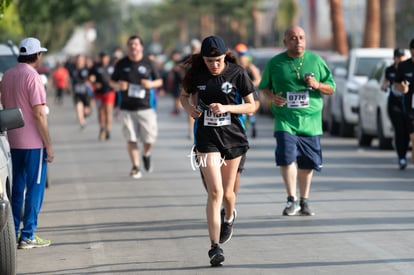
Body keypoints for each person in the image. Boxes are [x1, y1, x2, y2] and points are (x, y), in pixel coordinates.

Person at [180, 35, 255, 267]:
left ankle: (230, 217)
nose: (214, 65)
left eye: (218, 60)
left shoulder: (237, 73)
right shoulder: (195, 74)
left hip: (233, 138)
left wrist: (227, 108)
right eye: (209, 61)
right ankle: (214, 247)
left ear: (225, 57)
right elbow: (183, 97)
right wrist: (190, 108)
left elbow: (252, 106)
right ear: (203, 59)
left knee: (229, 194)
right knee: (215, 192)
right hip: (206, 138)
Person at [258, 26, 335, 217]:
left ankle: (304, 200)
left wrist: (316, 85)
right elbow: (264, 88)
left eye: (301, 37)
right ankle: (291, 199)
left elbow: (331, 87)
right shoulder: (275, 63)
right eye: (293, 38)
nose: (298, 41)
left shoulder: (316, 61)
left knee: (307, 164)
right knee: (286, 156)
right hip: (285, 120)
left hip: (311, 122)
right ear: (285, 42)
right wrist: (272, 97)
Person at [0, 37, 54, 249]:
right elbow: (39, 113)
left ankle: (12, 233)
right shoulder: (33, 77)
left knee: (17, 188)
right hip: (33, 143)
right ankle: (28, 234)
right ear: (37, 55)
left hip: (13, 140)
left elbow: (5, 104)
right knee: (35, 188)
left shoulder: (8, 76)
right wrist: (48, 144)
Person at [110, 35, 163, 179]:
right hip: (127, 108)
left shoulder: (148, 62)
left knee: (150, 139)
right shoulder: (121, 63)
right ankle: (135, 166)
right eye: (131, 44)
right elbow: (112, 82)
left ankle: (146, 153)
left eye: (136, 44)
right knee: (131, 138)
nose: (133, 47)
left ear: (141, 47)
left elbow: (159, 81)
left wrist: (150, 84)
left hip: (146, 107)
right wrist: (119, 86)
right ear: (128, 47)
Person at [381, 48, 409, 169]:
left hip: (407, 104)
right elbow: (385, 83)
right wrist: (384, 86)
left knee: (407, 132)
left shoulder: (407, 68)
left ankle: (405, 153)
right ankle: (401, 157)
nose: (400, 59)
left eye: (402, 57)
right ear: (394, 58)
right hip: (394, 104)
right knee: (399, 130)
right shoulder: (390, 70)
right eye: (398, 57)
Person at [234, 43, 261, 138]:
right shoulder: (235, 67)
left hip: (250, 92)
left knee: (251, 111)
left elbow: (258, 79)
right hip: (239, 93)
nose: (241, 58)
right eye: (240, 55)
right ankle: (242, 127)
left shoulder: (251, 68)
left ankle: (253, 124)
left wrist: (248, 86)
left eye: (243, 55)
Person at [395, 38, 414, 166]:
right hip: (410, 107)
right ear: (412, 51)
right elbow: (396, 83)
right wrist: (402, 87)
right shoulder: (404, 66)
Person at [89, 52, 116, 141]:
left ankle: (108, 129)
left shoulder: (112, 66)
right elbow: (90, 78)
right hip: (99, 93)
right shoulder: (95, 67)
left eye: (105, 57)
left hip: (109, 92)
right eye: (102, 58)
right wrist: (94, 83)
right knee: (101, 111)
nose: (104, 59)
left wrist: (115, 84)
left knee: (108, 110)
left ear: (108, 58)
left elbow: (117, 78)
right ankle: (102, 128)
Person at [69, 54, 93, 129]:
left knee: (87, 111)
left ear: (83, 60)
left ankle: (84, 115)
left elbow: (92, 77)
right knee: (78, 106)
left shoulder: (87, 69)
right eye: (78, 59)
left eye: (81, 60)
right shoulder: (72, 69)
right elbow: (68, 78)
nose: (79, 61)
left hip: (86, 92)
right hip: (76, 92)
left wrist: (90, 80)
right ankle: (81, 122)